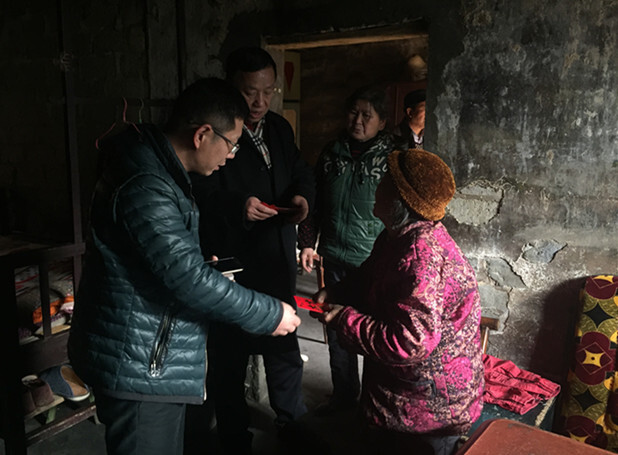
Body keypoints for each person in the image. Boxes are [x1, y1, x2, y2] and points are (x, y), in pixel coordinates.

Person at [67, 77, 302, 455]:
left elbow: (167, 261)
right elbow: (187, 280)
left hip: (151, 356)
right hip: (140, 363)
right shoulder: (147, 185)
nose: (232, 155)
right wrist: (270, 314)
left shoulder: (160, 170)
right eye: (231, 144)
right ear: (202, 135)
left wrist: (198, 264)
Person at [188, 47, 317, 454]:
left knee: (284, 346)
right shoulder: (217, 130)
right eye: (249, 92)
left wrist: (302, 199)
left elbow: (299, 170)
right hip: (234, 261)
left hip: (275, 256)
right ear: (231, 87)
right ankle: (234, 438)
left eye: (268, 91)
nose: (260, 102)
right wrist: (238, 206)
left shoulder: (278, 128)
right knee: (229, 357)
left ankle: (291, 421)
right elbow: (199, 188)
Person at [314, 148, 484, 455]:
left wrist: (344, 319)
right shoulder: (396, 237)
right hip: (401, 394)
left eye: (384, 183)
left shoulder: (421, 257)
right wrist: (338, 292)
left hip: (428, 410)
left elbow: (409, 342)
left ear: (400, 200)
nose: (376, 188)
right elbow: (370, 276)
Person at [297, 85, 396, 414]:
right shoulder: (331, 153)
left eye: (367, 115)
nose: (358, 121)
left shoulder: (393, 156)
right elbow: (314, 202)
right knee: (338, 329)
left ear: (382, 121)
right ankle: (343, 398)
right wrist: (307, 243)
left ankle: (373, 406)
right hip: (335, 256)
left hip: (374, 261)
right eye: (354, 112)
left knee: (374, 335)